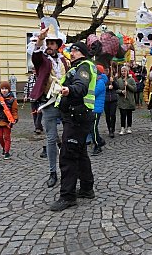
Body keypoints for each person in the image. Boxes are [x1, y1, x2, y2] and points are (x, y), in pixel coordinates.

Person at [50, 41, 97, 211]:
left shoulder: (84, 67)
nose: (72, 52)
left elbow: (81, 86)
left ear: (81, 52)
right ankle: (86, 188)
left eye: (74, 50)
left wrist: (70, 90)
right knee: (80, 152)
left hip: (77, 115)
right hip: (77, 115)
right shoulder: (76, 67)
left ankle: (67, 196)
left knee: (68, 155)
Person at [30, 27, 68, 188]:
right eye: (48, 43)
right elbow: (35, 55)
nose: (50, 46)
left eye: (53, 43)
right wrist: (40, 39)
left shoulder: (64, 60)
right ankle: (53, 173)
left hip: (65, 102)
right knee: (51, 138)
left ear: (57, 45)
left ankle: (68, 169)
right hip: (49, 102)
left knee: (68, 138)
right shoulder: (42, 60)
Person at [0, 81, 18, 160]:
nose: (4, 90)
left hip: (7, 121)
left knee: (7, 137)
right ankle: (4, 148)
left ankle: (7, 152)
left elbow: (14, 111)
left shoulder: (12, 100)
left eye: (6, 88)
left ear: (9, 90)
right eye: (2, 88)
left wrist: (15, 118)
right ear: (0, 90)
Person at [90, 65, 108, 155]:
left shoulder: (100, 82)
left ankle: (98, 145)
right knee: (92, 128)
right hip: (93, 108)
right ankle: (99, 141)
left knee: (93, 128)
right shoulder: (97, 81)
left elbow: (94, 93)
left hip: (96, 108)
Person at [116, 66, 137, 135]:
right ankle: (122, 128)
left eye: (125, 71)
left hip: (129, 100)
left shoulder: (131, 80)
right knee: (122, 115)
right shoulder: (119, 80)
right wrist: (121, 91)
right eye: (122, 71)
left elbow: (134, 89)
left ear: (127, 72)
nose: (123, 72)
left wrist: (127, 85)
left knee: (129, 115)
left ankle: (129, 127)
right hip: (122, 100)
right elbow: (116, 90)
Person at [23, 66, 43, 134]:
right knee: (34, 113)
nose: (34, 71)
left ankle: (38, 127)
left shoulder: (41, 77)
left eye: (35, 69)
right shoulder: (30, 78)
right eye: (33, 69)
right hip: (32, 98)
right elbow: (27, 86)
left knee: (39, 112)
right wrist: (26, 95)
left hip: (40, 98)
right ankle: (38, 127)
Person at [104, 66, 119, 138]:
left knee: (112, 114)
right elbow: (101, 87)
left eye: (107, 70)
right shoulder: (102, 78)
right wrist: (107, 87)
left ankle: (112, 129)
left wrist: (113, 81)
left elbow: (117, 87)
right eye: (105, 70)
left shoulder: (112, 77)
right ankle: (109, 128)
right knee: (107, 115)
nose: (106, 71)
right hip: (106, 99)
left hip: (113, 99)